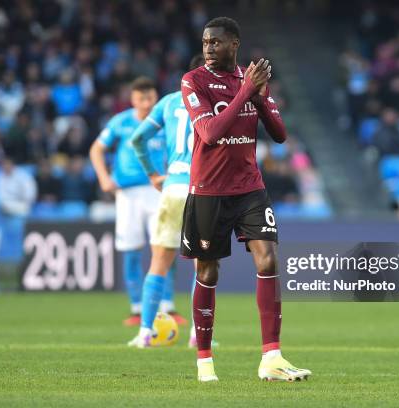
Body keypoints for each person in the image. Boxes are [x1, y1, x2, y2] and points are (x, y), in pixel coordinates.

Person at [180, 17, 311, 382]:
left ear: (234, 44)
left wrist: (260, 96)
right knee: (208, 271)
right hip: (208, 190)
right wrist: (245, 93)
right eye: (205, 42)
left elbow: (281, 135)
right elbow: (209, 133)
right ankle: (204, 361)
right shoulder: (194, 81)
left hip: (250, 187)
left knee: (268, 259)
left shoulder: (248, 80)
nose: (208, 47)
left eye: (216, 42)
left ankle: (272, 358)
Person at [89, 77, 186, 327]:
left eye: (150, 98)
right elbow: (96, 149)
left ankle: (167, 307)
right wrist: (103, 178)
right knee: (131, 250)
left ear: (156, 98)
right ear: (132, 100)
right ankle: (136, 309)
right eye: (141, 98)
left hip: (158, 191)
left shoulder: (164, 121)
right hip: (128, 195)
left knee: (165, 248)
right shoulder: (120, 122)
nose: (146, 103)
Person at [127, 55, 206, 349]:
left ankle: (145, 333)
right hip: (202, 190)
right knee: (204, 267)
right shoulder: (217, 101)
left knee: (159, 263)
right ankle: (199, 336)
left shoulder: (169, 101)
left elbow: (137, 139)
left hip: (172, 187)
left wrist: (153, 175)